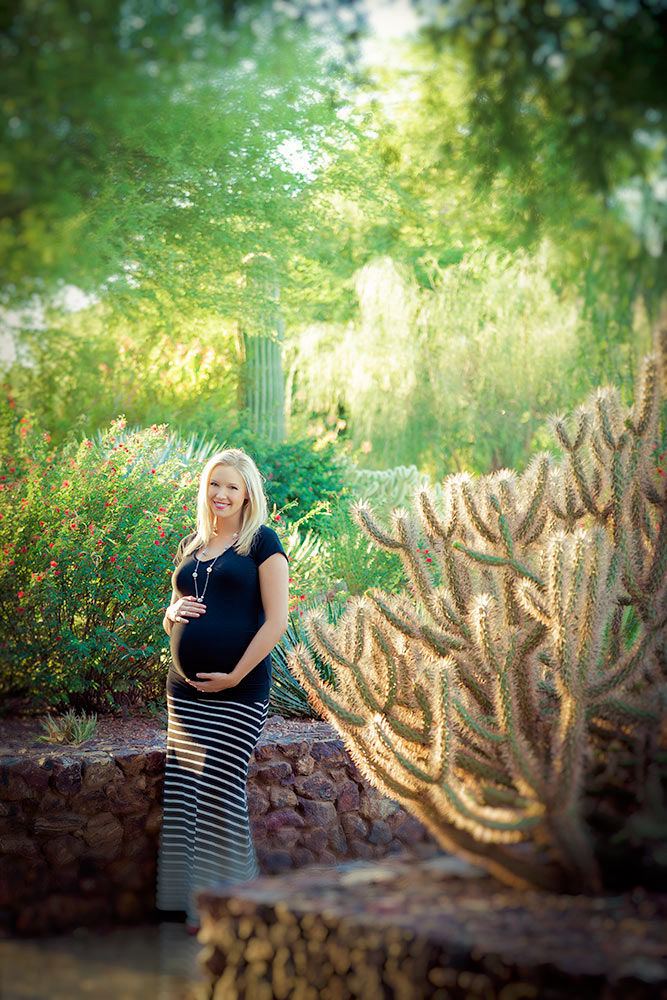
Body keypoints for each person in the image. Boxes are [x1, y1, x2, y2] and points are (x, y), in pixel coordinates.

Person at [156, 448, 289, 932]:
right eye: (215, 484)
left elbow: (277, 622)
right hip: (184, 692)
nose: (222, 494)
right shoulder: (195, 545)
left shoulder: (262, 544)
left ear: (248, 492)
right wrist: (170, 616)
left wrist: (234, 675)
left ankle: (235, 906)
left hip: (240, 689)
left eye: (232, 486)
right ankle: (187, 905)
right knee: (186, 790)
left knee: (221, 790)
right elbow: (175, 608)